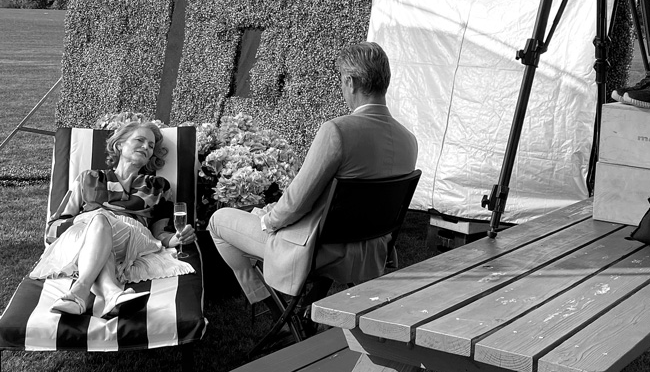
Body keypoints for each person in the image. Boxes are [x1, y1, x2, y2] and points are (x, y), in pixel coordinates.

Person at [208, 41, 418, 306]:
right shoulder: (409, 141)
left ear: (351, 82)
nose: (343, 88)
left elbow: (297, 200)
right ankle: (299, 312)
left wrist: (268, 221)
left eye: (342, 81)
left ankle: (270, 306)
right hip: (371, 251)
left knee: (218, 220)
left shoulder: (338, 131)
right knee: (267, 214)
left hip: (317, 251)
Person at [30, 121, 196, 316]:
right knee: (100, 224)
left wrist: (178, 238)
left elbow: (160, 233)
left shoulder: (157, 186)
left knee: (101, 220)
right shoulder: (88, 179)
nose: (146, 147)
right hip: (84, 234)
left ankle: (79, 292)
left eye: (151, 146)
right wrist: (89, 219)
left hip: (132, 238)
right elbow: (53, 227)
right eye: (139, 140)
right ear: (119, 145)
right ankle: (111, 294)